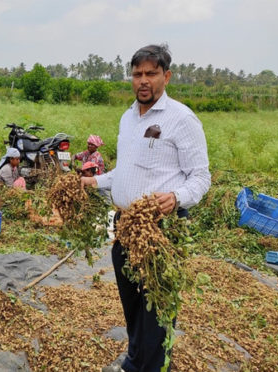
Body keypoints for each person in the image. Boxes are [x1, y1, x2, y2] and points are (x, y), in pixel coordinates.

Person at [81, 44, 210, 372]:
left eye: (151, 73)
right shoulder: (127, 118)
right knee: (134, 304)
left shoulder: (181, 119)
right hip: (126, 226)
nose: (143, 80)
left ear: (166, 77)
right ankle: (135, 361)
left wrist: (177, 198)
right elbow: (124, 170)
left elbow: (200, 177)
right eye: (137, 74)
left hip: (161, 230)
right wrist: (96, 182)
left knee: (158, 312)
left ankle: (151, 366)